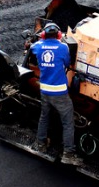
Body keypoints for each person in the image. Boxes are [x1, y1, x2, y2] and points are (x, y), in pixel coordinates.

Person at [30, 22, 82, 166]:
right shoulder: (63, 47)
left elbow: (32, 46)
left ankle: (40, 144)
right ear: (59, 35)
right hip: (59, 92)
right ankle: (68, 154)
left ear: (44, 35)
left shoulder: (38, 46)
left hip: (44, 90)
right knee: (68, 122)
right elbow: (67, 63)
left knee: (44, 117)